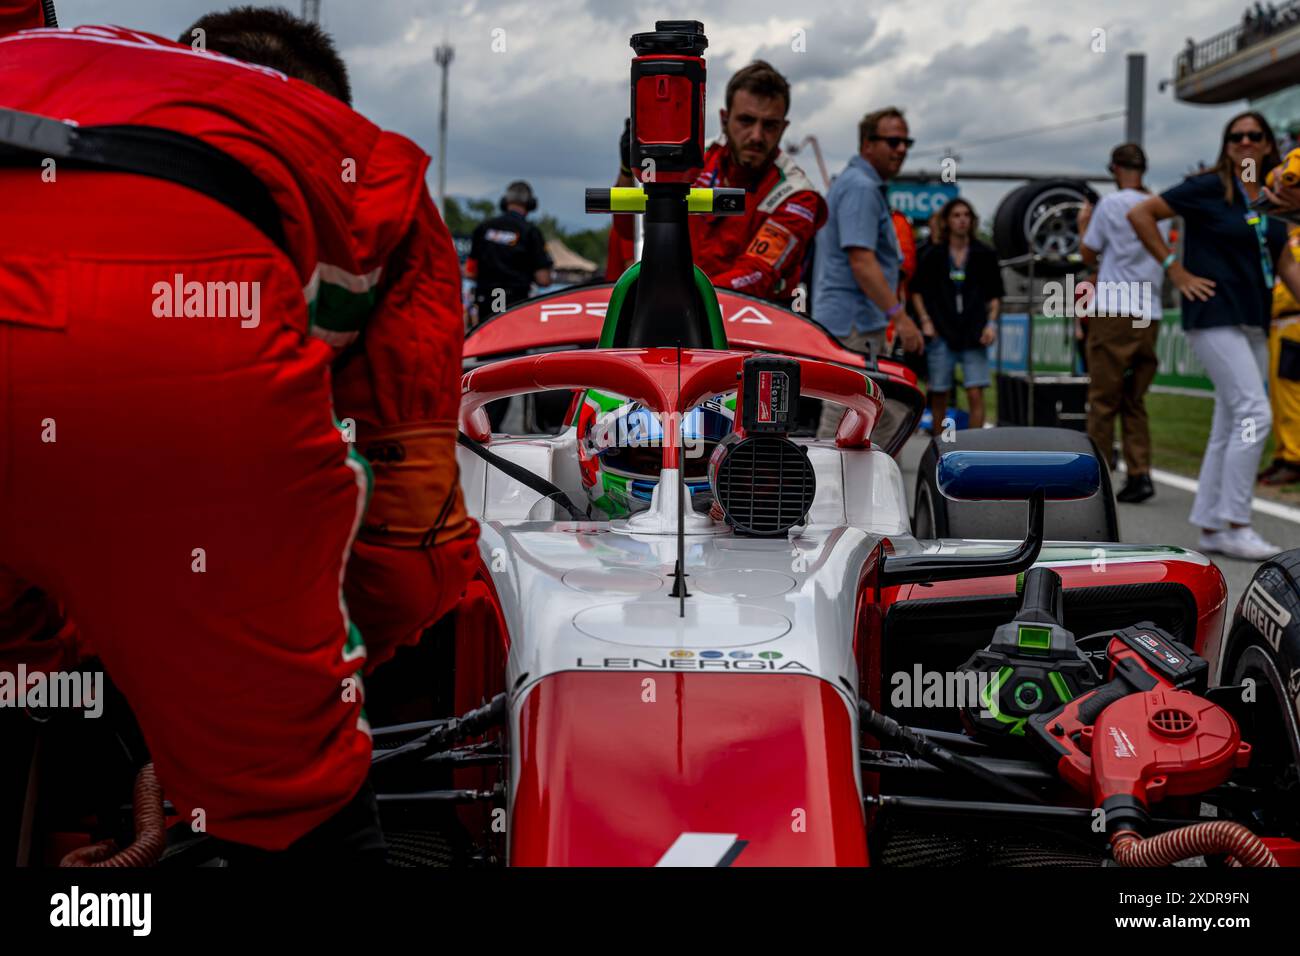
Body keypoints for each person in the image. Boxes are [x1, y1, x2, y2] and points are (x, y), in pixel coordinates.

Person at [0, 4, 478, 859]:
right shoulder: (366, 163)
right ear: (325, 101)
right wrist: (272, 684)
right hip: (173, 337)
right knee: (294, 813)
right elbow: (411, 549)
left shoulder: (42, 51)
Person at [1128, 111, 1300, 560]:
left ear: (1267, 145)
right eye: (1236, 136)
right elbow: (1141, 213)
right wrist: (1176, 270)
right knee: (1254, 413)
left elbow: (1286, 266)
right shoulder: (1208, 188)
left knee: (1229, 420)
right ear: (1227, 145)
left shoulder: (1273, 200)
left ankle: (1210, 526)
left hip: (1253, 318)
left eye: (1254, 135)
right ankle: (1238, 523)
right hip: (1212, 313)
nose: (1244, 142)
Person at [605, 61, 827, 305]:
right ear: (724, 119)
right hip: (681, 309)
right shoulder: (691, 160)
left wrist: (679, 297)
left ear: (783, 128)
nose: (756, 136)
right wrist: (628, 169)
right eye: (746, 120)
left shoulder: (797, 194)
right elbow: (628, 230)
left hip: (753, 322)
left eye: (770, 125)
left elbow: (756, 275)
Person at [813, 106, 925, 439]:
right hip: (854, 325)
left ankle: (856, 487)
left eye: (906, 142)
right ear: (867, 144)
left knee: (880, 419)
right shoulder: (861, 187)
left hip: (854, 323)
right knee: (845, 414)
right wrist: (901, 318)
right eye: (893, 141)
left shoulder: (858, 184)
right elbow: (861, 261)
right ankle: (825, 489)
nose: (901, 149)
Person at [1078, 143, 1166, 504]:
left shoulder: (1110, 204)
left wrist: (1085, 223)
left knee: (1102, 398)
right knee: (1134, 399)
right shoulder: (1160, 205)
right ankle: (1140, 472)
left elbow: (1088, 252)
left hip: (1113, 308)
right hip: (1149, 311)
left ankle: (1096, 479)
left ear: (1115, 168)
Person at [910, 198, 1002, 431]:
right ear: (947, 221)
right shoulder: (933, 254)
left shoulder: (984, 253)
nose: (962, 220)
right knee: (939, 391)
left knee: (975, 391)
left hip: (974, 331)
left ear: (971, 220)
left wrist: (991, 324)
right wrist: (926, 321)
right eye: (956, 215)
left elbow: (995, 294)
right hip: (941, 330)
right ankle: (940, 445)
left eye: (966, 215)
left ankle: (975, 447)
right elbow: (917, 291)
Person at [467, 180, 553, 324]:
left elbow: (470, 272)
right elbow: (543, 279)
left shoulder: (483, 229)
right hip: (516, 304)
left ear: (504, 202)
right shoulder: (531, 232)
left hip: (486, 302)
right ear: (531, 204)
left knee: (490, 342)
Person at [1261, 225, 1300, 485]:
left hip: (1293, 322)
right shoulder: (1287, 235)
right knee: (1276, 396)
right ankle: (1282, 454)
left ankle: (1295, 458)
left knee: (1291, 395)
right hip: (1276, 324)